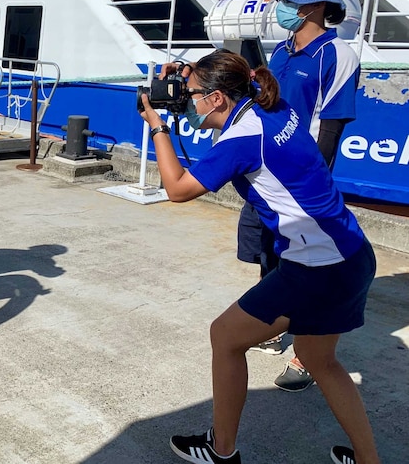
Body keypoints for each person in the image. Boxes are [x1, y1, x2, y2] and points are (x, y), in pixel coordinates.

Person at [140, 51, 378, 464]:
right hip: (351, 252)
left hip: (316, 268)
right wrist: (187, 76)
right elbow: (225, 89)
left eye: (191, 94)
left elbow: (177, 189)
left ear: (216, 99)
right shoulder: (272, 106)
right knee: (321, 361)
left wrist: (159, 126)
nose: (187, 100)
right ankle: (368, 459)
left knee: (225, 337)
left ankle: (222, 450)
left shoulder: (241, 139)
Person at [238, 0, 360, 392]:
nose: (280, 5)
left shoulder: (338, 55)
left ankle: (307, 356)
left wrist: (308, 189)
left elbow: (330, 130)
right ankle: (271, 322)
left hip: (303, 184)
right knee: (271, 252)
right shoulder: (281, 50)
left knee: (313, 264)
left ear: (311, 5)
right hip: (267, 175)